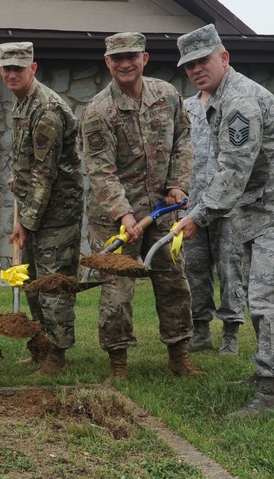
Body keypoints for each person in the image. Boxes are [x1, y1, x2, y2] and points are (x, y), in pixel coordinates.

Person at [173, 24, 274, 417]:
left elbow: (233, 171)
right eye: (188, 64)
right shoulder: (218, 100)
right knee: (260, 298)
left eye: (203, 60)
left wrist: (197, 216)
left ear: (224, 58)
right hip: (262, 215)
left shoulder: (239, 100)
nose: (196, 70)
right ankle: (268, 375)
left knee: (271, 301)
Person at [80, 31, 200, 380]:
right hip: (114, 217)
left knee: (173, 281)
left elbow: (182, 141)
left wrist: (178, 185)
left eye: (132, 56)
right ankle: (117, 365)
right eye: (117, 58)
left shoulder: (166, 95)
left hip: (160, 210)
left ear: (144, 59)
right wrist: (124, 214)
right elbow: (100, 170)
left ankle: (179, 357)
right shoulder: (98, 112)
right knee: (117, 290)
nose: (125, 63)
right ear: (108, 63)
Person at [0, 42, 83, 377]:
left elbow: (45, 173)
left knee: (52, 285)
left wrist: (26, 224)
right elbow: (34, 164)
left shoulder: (45, 109)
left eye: (19, 68)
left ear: (33, 68)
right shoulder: (24, 103)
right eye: (6, 68)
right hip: (39, 207)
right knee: (33, 281)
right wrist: (19, 180)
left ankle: (58, 355)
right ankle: (42, 346)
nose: (11, 74)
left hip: (57, 214)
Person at [183, 87, 247, 355]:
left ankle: (230, 332)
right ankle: (200, 331)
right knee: (194, 269)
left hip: (227, 206)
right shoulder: (185, 107)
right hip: (191, 203)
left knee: (230, 269)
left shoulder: (234, 104)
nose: (198, 70)